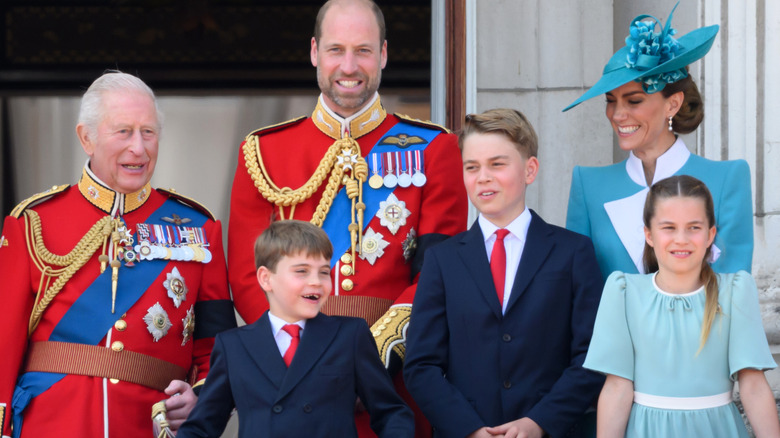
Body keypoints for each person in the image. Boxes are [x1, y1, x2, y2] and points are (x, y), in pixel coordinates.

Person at [228, 0, 467, 435]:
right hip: (293, 379)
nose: (349, 65)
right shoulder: (263, 152)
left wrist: (368, 361)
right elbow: (249, 277)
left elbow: (437, 277)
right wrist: (306, 358)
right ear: (315, 52)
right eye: (336, 50)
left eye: (364, 50)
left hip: (391, 382)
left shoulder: (434, 148)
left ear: (385, 55)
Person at [0, 71, 236, 438]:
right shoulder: (33, 223)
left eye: (148, 132)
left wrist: (201, 400)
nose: (138, 148)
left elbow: (217, 350)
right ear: (87, 138)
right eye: (123, 131)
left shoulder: (199, 228)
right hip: (52, 424)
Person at [404, 109, 605, 438]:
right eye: (472, 167)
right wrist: (468, 429)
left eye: (497, 164)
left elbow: (591, 355)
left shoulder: (573, 252)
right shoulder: (441, 260)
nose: (483, 177)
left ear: (530, 169)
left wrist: (539, 422)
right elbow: (421, 365)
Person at [563, 3, 752, 281]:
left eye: (634, 101)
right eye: (610, 101)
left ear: (672, 104)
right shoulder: (588, 185)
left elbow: (734, 288)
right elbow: (579, 290)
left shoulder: (727, 179)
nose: (617, 114)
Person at [177, 220, 414, 438]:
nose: (316, 281)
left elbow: (392, 413)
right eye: (301, 271)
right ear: (265, 278)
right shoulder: (233, 347)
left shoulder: (350, 335)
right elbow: (202, 428)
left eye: (324, 272)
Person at [584, 175, 779, 437]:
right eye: (669, 227)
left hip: (718, 429)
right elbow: (617, 388)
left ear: (711, 234)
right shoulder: (624, 292)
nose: (681, 239)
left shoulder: (734, 292)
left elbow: (753, 385)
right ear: (649, 234)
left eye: (693, 227)